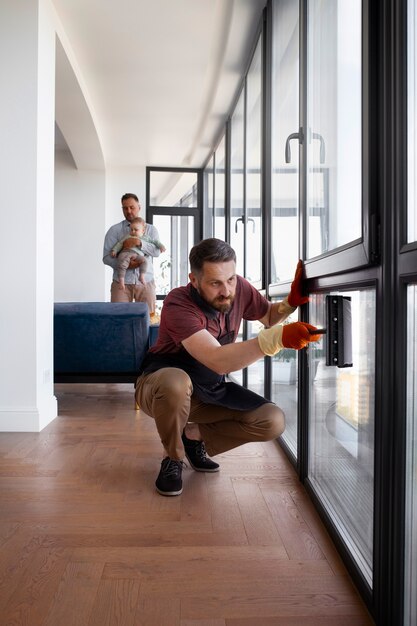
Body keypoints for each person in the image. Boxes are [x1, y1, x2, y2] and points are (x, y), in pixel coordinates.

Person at [135, 238, 321, 497]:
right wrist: (277, 338)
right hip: (159, 388)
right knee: (176, 382)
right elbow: (217, 359)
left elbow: (268, 316)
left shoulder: (239, 288)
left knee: (272, 420)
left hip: (208, 389)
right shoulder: (178, 303)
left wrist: (290, 302)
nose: (226, 290)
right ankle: (173, 457)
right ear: (194, 280)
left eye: (231, 279)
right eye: (215, 283)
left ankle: (192, 436)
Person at [103, 193, 162, 314]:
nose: (128, 211)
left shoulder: (151, 230)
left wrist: (139, 243)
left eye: (132, 207)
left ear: (139, 207)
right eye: (125, 208)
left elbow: (156, 252)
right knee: (118, 320)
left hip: (146, 282)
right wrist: (126, 264)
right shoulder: (114, 230)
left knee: (148, 320)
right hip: (121, 284)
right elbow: (106, 258)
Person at [111, 217, 166, 291]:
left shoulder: (146, 238)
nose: (133, 231)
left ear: (143, 231)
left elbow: (155, 242)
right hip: (126, 253)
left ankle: (142, 275)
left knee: (144, 261)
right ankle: (121, 280)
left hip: (136, 255)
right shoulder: (128, 236)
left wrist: (161, 246)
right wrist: (114, 250)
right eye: (131, 229)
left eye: (136, 230)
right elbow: (119, 244)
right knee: (122, 264)